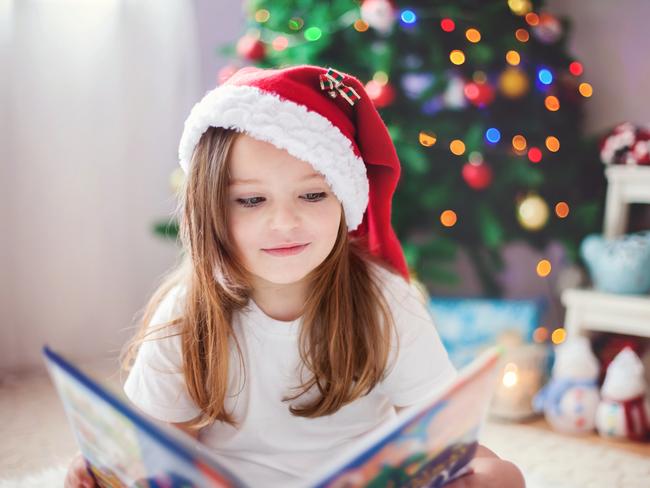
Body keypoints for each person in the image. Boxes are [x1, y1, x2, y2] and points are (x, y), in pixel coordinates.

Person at [65, 65, 524, 488]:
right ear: (209, 210)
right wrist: (107, 472)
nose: (284, 223)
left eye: (311, 195)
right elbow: (157, 447)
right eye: (251, 200)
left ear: (345, 201)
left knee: (503, 475)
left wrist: (485, 477)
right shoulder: (188, 312)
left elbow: (447, 444)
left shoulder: (385, 302)